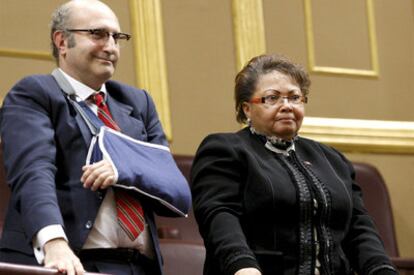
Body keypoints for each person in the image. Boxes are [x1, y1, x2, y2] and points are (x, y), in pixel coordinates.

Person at [0, 1, 185, 274]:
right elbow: (33, 173)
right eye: (97, 34)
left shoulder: (138, 102)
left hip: (139, 267)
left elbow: (176, 191)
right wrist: (54, 243)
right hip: (70, 262)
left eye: (117, 37)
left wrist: (125, 168)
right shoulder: (34, 93)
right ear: (62, 41)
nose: (111, 47)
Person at [190, 54, 398, 275]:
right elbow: (219, 215)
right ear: (246, 109)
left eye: (294, 97)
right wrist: (242, 266)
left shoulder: (332, 159)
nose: (286, 106)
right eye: (272, 98)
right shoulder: (225, 149)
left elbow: (359, 227)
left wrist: (381, 269)